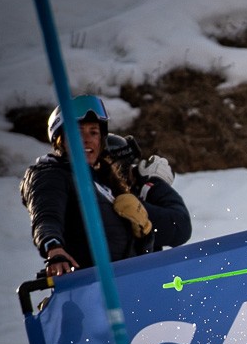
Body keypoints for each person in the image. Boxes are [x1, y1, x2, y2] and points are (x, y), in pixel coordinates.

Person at [21, 95, 155, 277]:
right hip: (88, 285)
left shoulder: (105, 183)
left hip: (125, 281)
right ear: (61, 140)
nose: (87, 139)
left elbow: (175, 228)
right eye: (78, 132)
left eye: (94, 132)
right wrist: (53, 247)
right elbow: (47, 215)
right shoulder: (50, 174)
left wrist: (144, 235)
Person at [104, 133, 192, 251]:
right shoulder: (111, 198)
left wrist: (150, 184)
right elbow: (180, 228)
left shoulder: (120, 191)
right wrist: (154, 182)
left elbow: (179, 226)